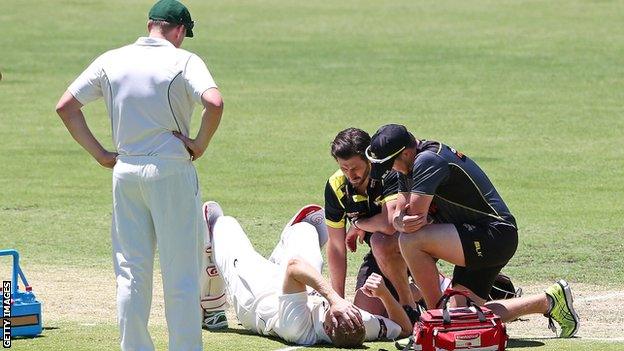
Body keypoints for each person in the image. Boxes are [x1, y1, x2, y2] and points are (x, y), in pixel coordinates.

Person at [55, 1, 223, 349]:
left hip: (126, 172)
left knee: (131, 274)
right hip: (172, 172)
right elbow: (214, 102)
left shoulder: (111, 59)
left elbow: (66, 107)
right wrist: (199, 144)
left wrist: (101, 154)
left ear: (150, 25)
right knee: (181, 276)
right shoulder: (184, 60)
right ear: (178, 30)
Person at [366, 124, 579, 337]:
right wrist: (401, 221)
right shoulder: (409, 163)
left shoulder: (427, 161)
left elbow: (413, 217)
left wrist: (402, 221)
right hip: (477, 236)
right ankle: (549, 301)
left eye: (391, 162)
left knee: (410, 241)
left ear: (405, 152)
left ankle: (433, 324)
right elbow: (398, 216)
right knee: (459, 318)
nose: (391, 168)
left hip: (494, 235)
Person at [202, 201, 413, 347]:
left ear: (328, 329)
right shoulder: (360, 324)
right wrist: (384, 294)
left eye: (336, 313)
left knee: (221, 223)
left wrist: (334, 299)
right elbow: (404, 329)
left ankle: (211, 304)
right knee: (306, 228)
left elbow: (294, 267)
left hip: (257, 298)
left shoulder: (298, 329)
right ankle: (280, 255)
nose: (343, 310)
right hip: (296, 288)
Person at [325, 128, 419, 318]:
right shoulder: (336, 185)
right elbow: (336, 246)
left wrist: (358, 224)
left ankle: (424, 292)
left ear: (368, 159)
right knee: (367, 312)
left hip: (412, 246)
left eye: (355, 167)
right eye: (344, 168)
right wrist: (338, 300)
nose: (350, 175)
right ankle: (420, 292)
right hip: (381, 254)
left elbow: (389, 224)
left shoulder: (390, 172)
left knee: (380, 239)